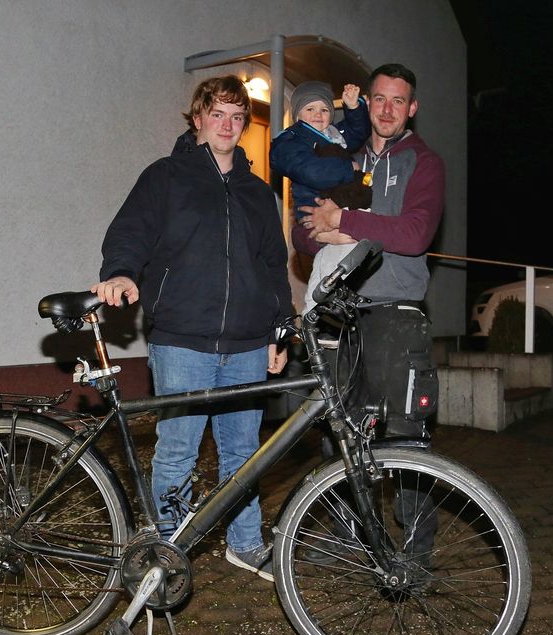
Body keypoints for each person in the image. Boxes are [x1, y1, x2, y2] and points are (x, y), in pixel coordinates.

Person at [91, 76, 292, 582]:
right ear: (198, 119)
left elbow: (273, 265)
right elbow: (129, 231)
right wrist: (120, 270)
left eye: (236, 117)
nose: (227, 125)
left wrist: (279, 331)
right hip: (181, 339)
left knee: (243, 453)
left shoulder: (258, 193)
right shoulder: (165, 177)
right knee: (178, 448)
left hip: (248, 342)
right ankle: (169, 552)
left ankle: (245, 545)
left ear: (243, 125)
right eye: (217, 114)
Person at [292, 63, 443, 570]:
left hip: (395, 316)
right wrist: (332, 229)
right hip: (340, 317)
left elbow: (415, 233)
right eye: (378, 98)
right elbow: (302, 230)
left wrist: (348, 222)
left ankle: (415, 559)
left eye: (397, 101)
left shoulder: (424, 163)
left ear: (411, 108)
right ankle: (347, 545)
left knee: (406, 445)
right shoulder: (340, 155)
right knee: (340, 439)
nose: (385, 109)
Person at [270, 81, 372, 312]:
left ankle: (340, 298)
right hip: (314, 207)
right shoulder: (292, 139)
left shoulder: (332, 135)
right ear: (297, 114)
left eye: (324, 110)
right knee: (328, 255)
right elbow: (312, 172)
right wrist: (349, 170)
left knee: (347, 252)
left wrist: (354, 107)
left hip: (339, 205)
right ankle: (312, 308)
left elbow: (357, 132)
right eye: (310, 109)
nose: (318, 114)